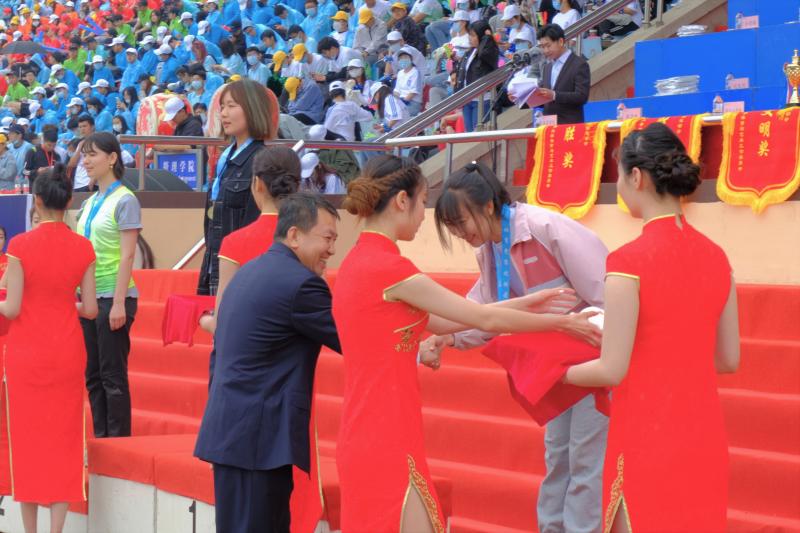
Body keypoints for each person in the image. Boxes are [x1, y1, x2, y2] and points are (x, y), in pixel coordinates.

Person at [333, 155, 601, 532]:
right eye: (423, 202)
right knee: (566, 460)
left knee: (577, 460)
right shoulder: (392, 269)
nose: (424, 216)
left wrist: (530, 305)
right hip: (387, 421)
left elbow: (463, 317)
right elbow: (481, 317)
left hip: (372, 419)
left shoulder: (357, 263)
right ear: (401, 201)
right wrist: (560, 321)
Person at [564, 123, 740, 532]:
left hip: (647, 432)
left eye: (619, 176)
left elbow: (611, 369)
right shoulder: (717, 257)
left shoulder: (628, 261)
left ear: (637, 177)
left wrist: (553, 371)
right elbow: (728, 359)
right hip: (703, 434)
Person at [427, 161, 609, 533]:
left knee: (586, 461)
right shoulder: (489, 248)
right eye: (452, 227)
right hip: (552, 367)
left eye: (461, 222)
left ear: (488, 206)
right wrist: (448, 336)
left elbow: (606, 292)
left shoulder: (545, 228)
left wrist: (608, 353)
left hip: (592, 359)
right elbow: (486, 311)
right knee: (558, 456)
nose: (459, 233)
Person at [194, 193, 341, 532]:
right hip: (258, 440)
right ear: (294, 235)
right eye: (327, 238)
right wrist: (414, 344)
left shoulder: (248, 272)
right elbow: (354, 340)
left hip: (232, 430)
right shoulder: (303, 285)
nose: (332, 249)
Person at [0, 164, 98, 533]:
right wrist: (63, 304)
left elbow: (12, 308)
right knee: (64, 441)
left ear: (37, 201)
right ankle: (56, 529)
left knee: (26, 442)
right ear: (69, 200)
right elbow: (91, 309)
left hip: (27, 354)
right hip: (67, 352)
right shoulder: (83, 246)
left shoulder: (20, 246)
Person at [76, 132, 143, 438]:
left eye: (93, 154)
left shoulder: (126, 199)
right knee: (93, 375)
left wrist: (118, 303)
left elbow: (128, 255)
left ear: (113, 158)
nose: (86, 161)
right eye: (84, 155)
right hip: (89, 299)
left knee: (112, 376)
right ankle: (101, 441)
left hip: (113, 297)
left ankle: (118, 444)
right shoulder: (90, 201)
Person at [200, 146, 301, 336]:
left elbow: (222, 322)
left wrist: (203, 319)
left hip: (246, 344)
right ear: (298, 185)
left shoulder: (234, 243)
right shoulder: (307, 238)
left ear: (257, 183)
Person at [198, 79, 279, 296]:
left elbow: (257, 229)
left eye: (231, 106)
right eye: (222, 106)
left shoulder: (261, 161)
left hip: (242, 275)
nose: (223, 113)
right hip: (216, 266)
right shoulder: (225, 159)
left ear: (253, 109)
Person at [536, 23, 590, 125]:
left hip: (569, 127)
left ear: (560, 41)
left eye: (548, 46)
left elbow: (582, 96)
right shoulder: (547, 67)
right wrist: (521, 99)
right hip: (548, 127)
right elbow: (544, 99)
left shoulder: (579, 64)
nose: (545, 50)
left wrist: (554, 95)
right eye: (542, 47)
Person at [456, 21, 499, 132]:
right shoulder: (470, 51)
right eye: (469, 35)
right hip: (467, 99)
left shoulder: (489, 50)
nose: (469, 38)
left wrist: (487, 37)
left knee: (478, 134)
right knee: (469, 134)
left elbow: (484, 54)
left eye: (473, 35)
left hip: (482, 99)